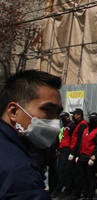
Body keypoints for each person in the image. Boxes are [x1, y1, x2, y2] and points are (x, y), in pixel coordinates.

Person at [0, 69, 63, 199]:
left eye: (58, 113)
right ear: (14, 111)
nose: (55, 120)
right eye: (47, 109)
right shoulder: (19, 170)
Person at [76, 111, 97, 200]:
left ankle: (90, 196)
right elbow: (81, 143)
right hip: (82, 156)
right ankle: (85, 194)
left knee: (90, 177)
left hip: (90, 157)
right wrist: (77, 155)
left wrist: (94, 156)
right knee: (83, 177)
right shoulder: (86, 129)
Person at [52, 111, 75, 198]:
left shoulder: (71, 126)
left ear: (67, 117)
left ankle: (63, 190)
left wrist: (71, 152)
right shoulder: (64, 127)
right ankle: (60, 189)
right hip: (62, 149)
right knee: (60, 170)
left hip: (67, 150)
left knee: (64, 171)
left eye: (63, 118)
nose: (62, 120)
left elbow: (73, 139)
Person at [68, 107, 88, 199]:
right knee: (73, 174)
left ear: (79, 115)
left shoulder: (82, 125)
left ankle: (77, 193)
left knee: (78, 175)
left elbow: (80, 141)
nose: (73, 116)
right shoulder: (77, 124)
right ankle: (74, 192)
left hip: (77, 153)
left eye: (75, 114)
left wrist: (74, 153)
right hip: (74, 151)